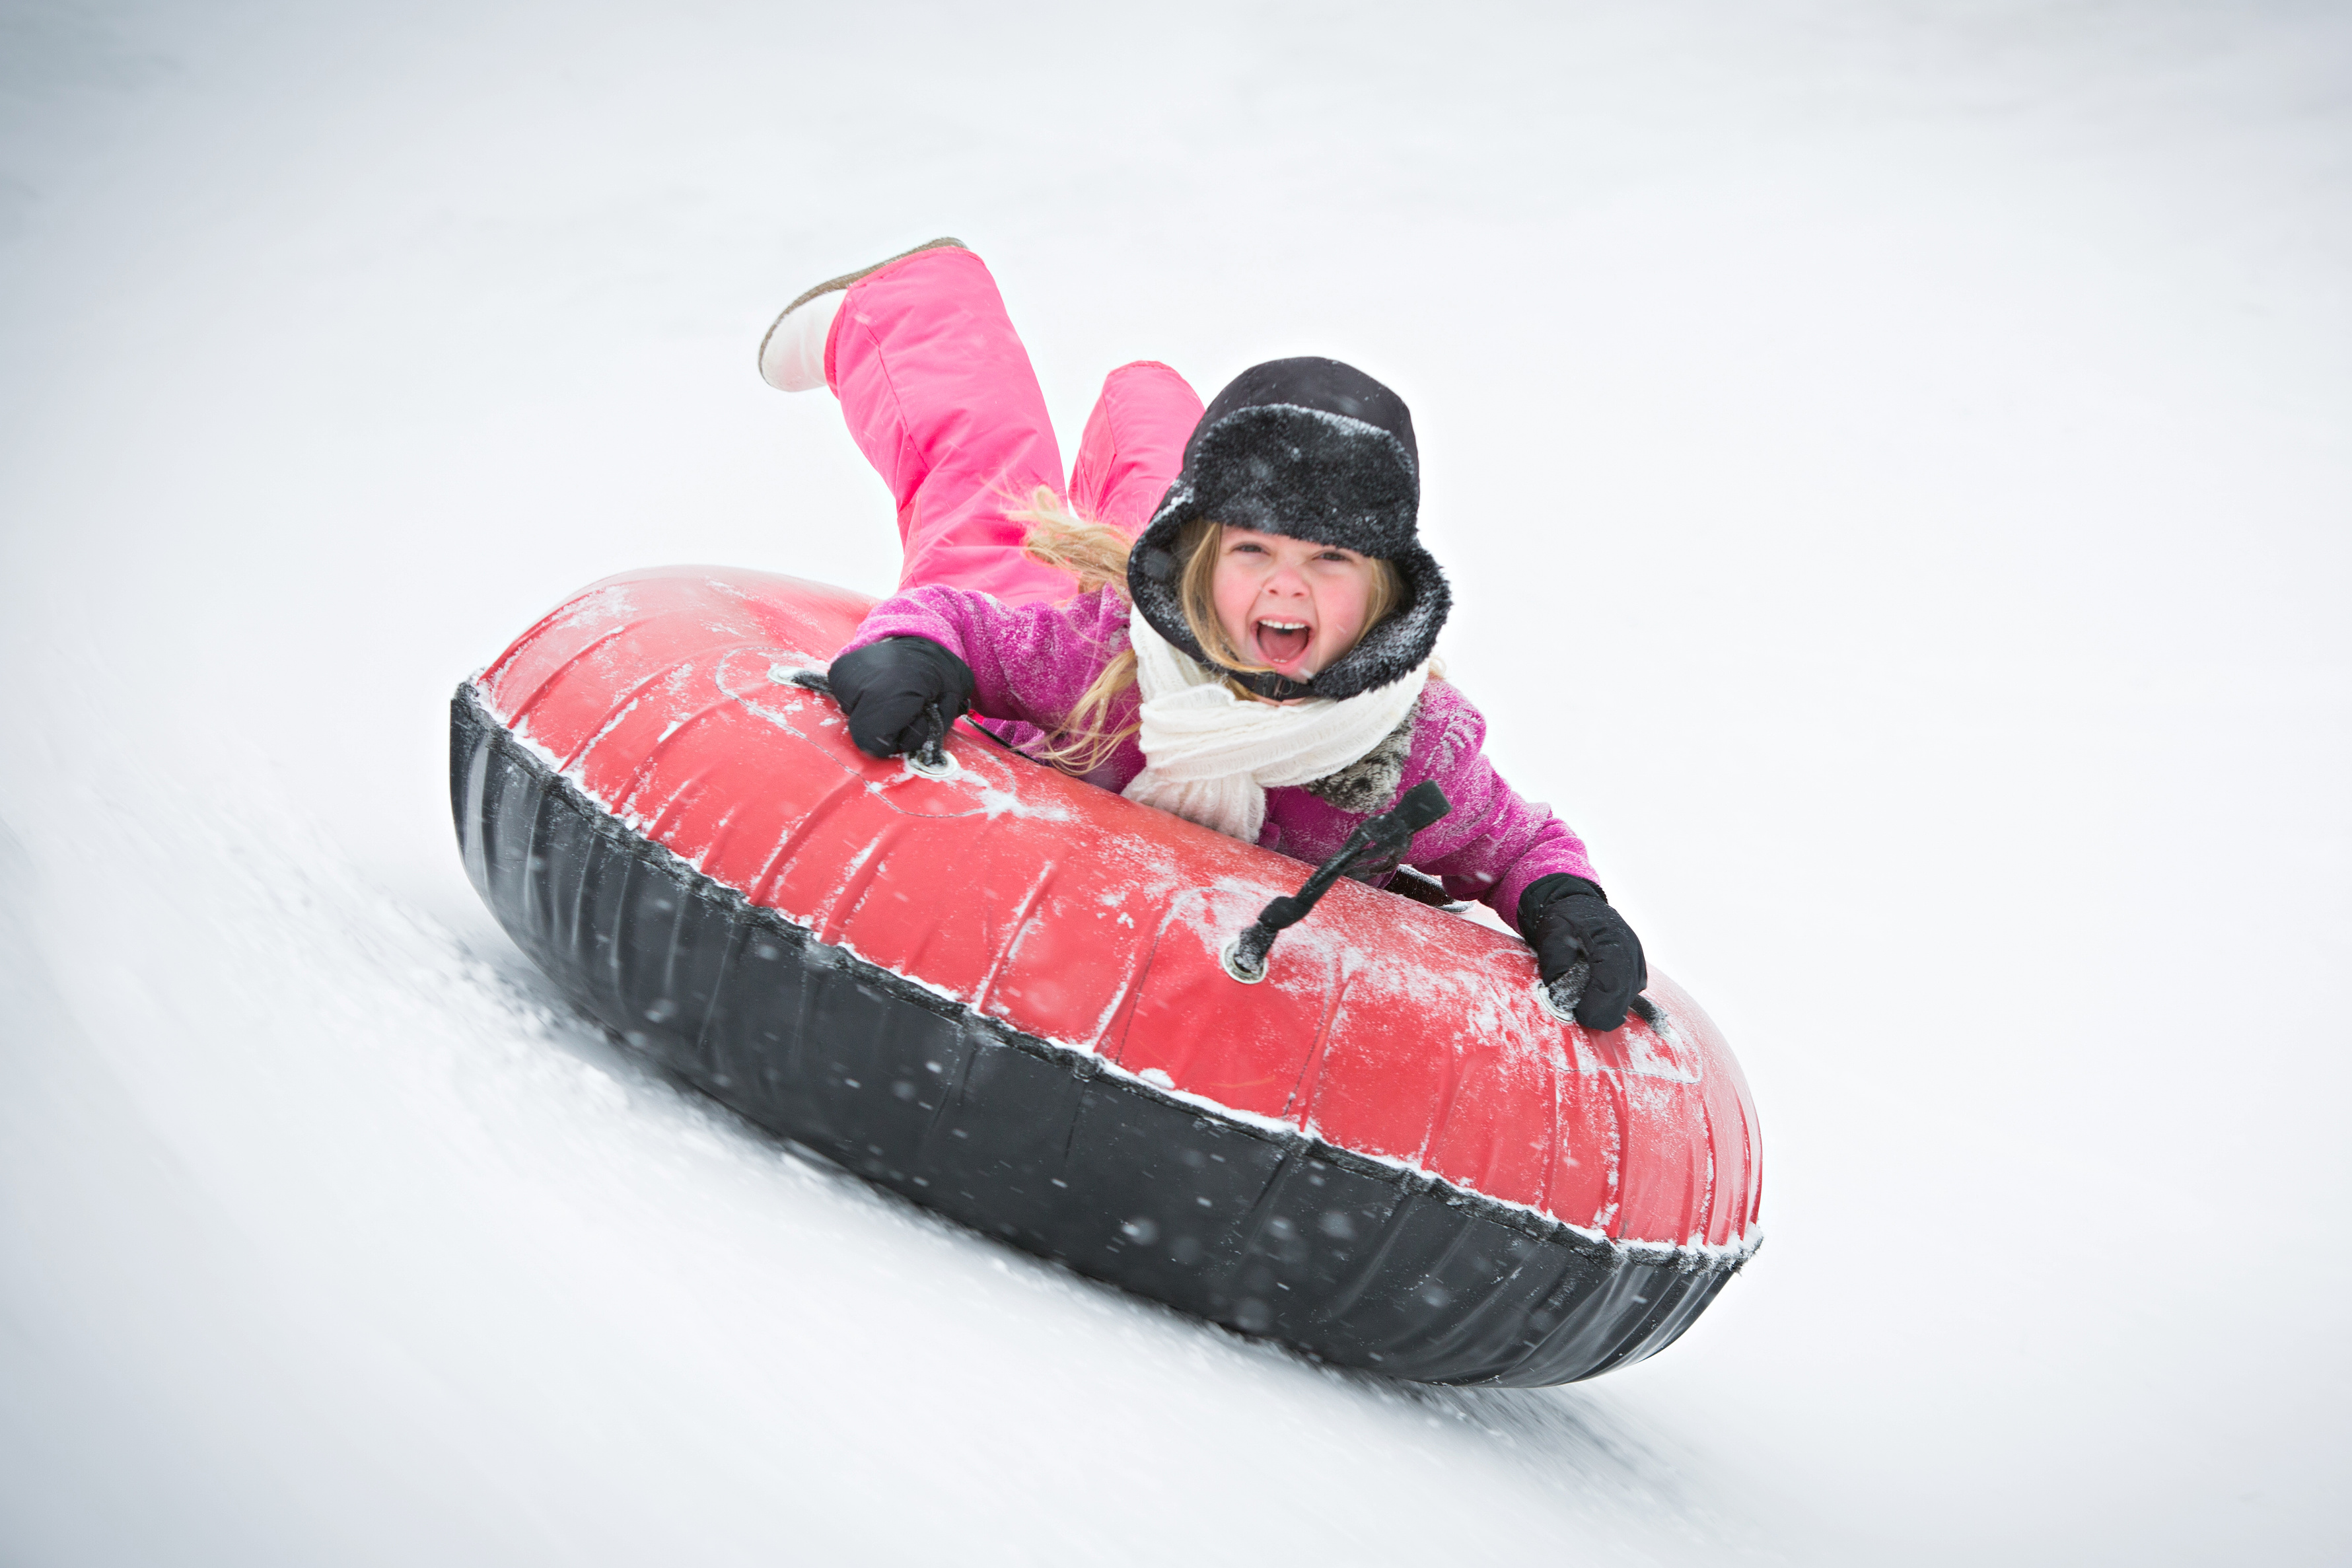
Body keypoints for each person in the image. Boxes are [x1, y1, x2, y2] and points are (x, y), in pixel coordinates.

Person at [758, 240, 1648, 1030]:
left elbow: (1515, 842)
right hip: (1121, 619)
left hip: (1187, 578)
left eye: (1331, 559)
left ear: (1383, 593)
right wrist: (911, 653)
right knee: (985, 510)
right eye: (1256, 548)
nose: (1288, 583)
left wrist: (1564, 902)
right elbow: (963, 625)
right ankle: (911, 303)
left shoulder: (1405, 752)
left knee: (1165, 496)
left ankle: (1153, 411)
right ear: (1201, 557)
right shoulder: (1097, 660)